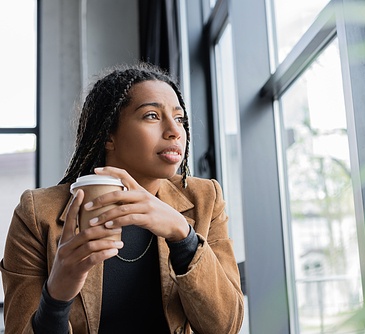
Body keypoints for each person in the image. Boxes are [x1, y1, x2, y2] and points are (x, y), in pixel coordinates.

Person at [0, 63, 244, 334]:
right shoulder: (37, 214)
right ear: (109, 136)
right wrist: (56, 297)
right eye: (152, 115)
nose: (175, 131)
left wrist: (182, 235)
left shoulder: (204, 199)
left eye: (180, 119)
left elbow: (226, 327)